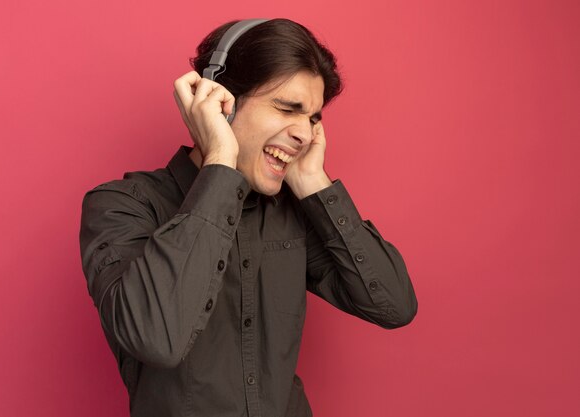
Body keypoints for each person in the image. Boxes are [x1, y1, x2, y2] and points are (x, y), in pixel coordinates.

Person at [79, 18, 417, 417]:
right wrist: (220, 161)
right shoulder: (121, 205)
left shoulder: (292, 211)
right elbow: (157, 338)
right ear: (222, 102)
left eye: (312, 118)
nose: (305, 135)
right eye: (287, 108)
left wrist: (313, 181)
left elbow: (393, 306)